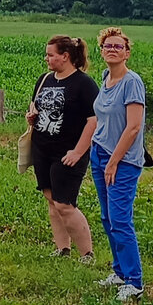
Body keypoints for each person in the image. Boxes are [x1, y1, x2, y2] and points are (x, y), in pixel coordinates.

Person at [27, 35, 99, 262]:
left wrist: (78, 152)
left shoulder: (84, 84)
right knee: (51, 199)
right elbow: (35, 106)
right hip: (42, 148)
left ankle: (87, 253)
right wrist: (32, 116)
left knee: (64, 203)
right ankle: (62, 249)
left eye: (50, 55)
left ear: (65, 56)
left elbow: (94, 120)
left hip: (68, 151)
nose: (46, 58)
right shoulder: (44, 79)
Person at [91, 27, 147, 302]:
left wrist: (113, 162)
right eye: (107, 46)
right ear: (101, 51)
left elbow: (133, 127)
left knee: (120, 219)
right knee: (107, 217)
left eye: (118, 46)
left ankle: (134, 281)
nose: (112, 50)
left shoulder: (131, 82)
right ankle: (120, 272)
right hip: (99, 152)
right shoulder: (105, 77)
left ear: (127, 52)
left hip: (122, 160)